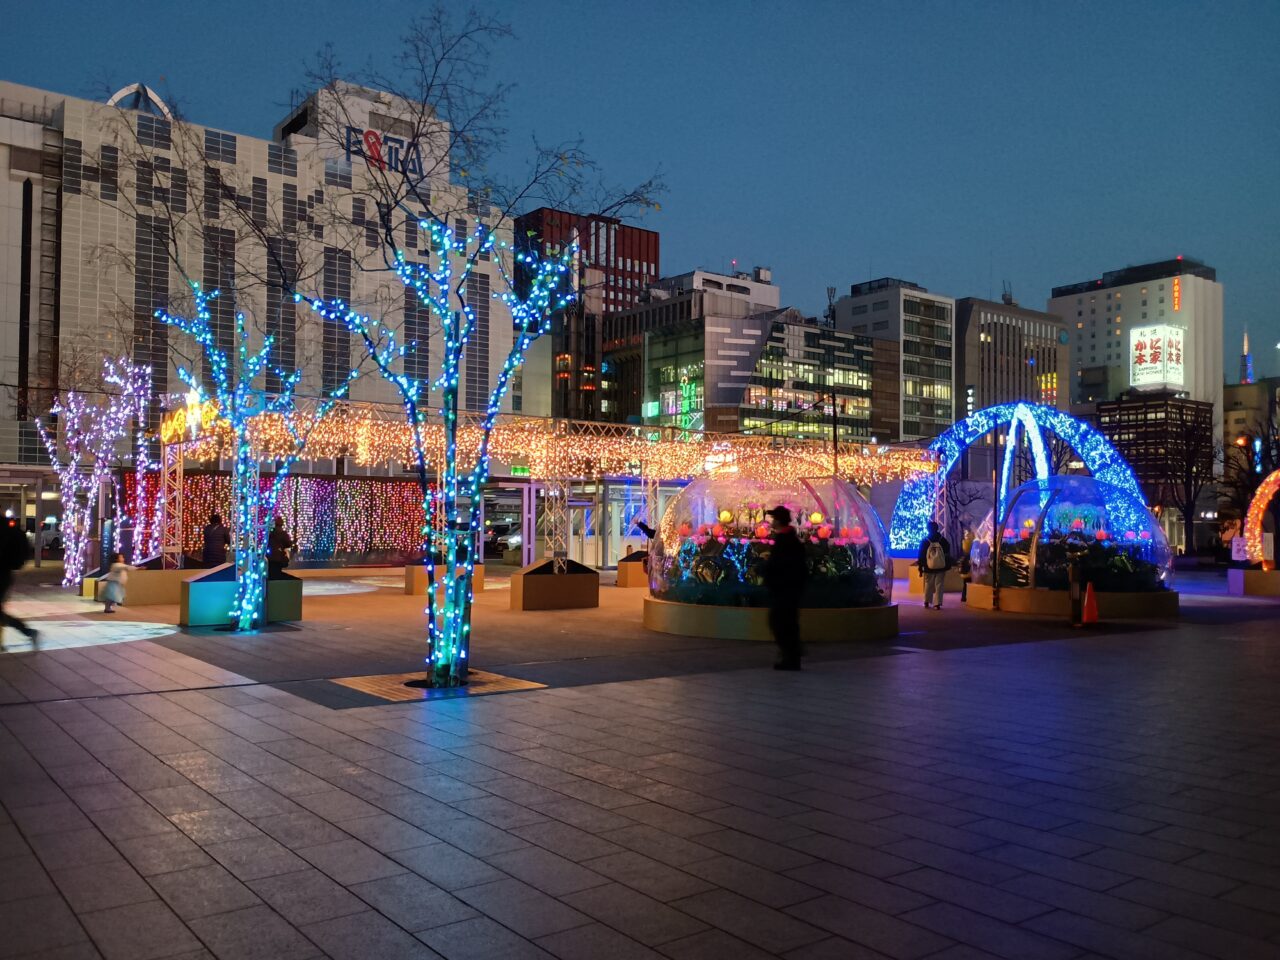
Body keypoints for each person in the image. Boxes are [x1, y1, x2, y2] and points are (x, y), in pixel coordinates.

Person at [762, 505, 807, 671]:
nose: (772, 522)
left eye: (774, 519)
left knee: (781, 622)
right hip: (787, 589)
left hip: (785, 590)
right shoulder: (788, 538)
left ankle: (791, 656)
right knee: (785, 622)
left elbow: (783, 565)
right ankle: (791, 655)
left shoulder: (786, 540)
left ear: (779, 520)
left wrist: (769, 573)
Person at [0, 518, 38, 649]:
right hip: (5, 574)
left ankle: (28, 632)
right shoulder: (8, 526)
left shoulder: (4, 527)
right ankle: (28, 632)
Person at [917, 520, 951, 610]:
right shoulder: (942, 540)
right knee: (939, 584)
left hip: (928, 567)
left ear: (928, 529)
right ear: (937, 529)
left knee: (928, 583)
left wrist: (921, 568)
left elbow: (921, 555)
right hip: (940, 566)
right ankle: (937, 604)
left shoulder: (925, 541)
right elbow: (947, 550)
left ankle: (927, 601)